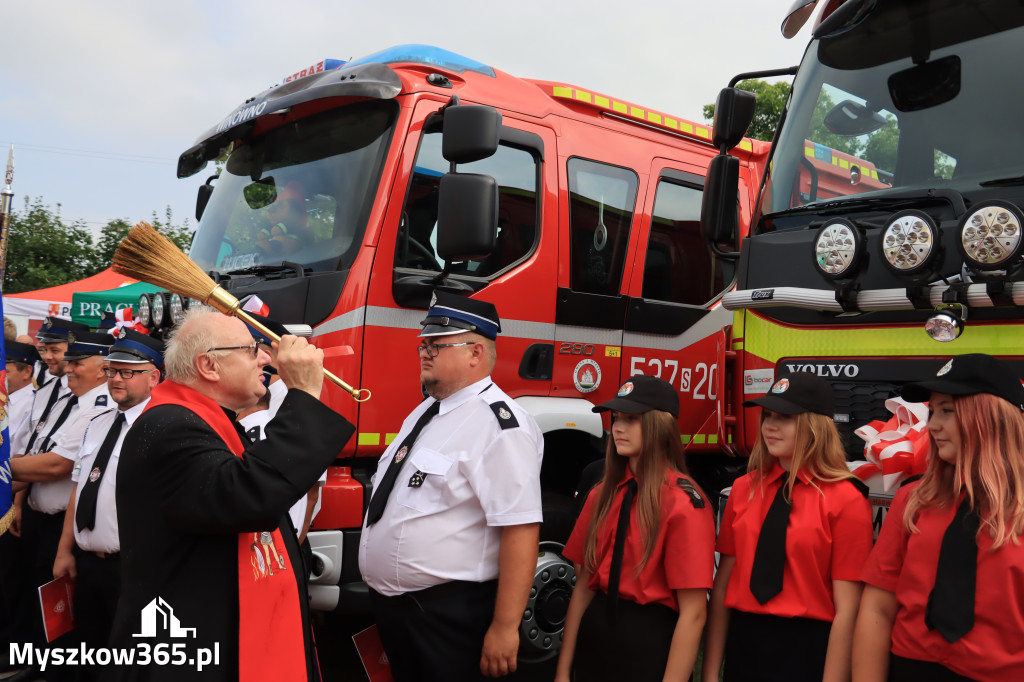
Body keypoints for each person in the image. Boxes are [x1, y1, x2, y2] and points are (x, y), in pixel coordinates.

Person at [108, 307, 354, 682]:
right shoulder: (171, 424)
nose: (266, 358)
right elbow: (250, 497)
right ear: (209, 366)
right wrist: (303, 394)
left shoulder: (205, 421)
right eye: (252, 349)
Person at [358, 291, 543, 682]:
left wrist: (506, 627)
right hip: (403, 613)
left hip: (448, 616)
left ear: (476, 353)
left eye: (437, 345)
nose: (424, 351)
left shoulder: (501, 426)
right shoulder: (427, 410)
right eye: (423, 344)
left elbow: (520, 528)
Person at [853, 353, 1024, 682]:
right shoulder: (912, 499)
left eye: (947, 411)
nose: (931, 426)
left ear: (989, 417)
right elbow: (877, 608)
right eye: (933, 411)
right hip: (910, 668)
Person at [703, 372, 873, 682]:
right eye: (767, 415)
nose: (770, 425)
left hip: (807, 649)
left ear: (814, 426)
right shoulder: (743, 489)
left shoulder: (846, 500)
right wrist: (711, 672)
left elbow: (848, 610)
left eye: (785, 417)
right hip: (745, 642)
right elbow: (724, 585)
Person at [555, 375, 715, 682]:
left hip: (648, 647)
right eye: (616, 418)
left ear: (659, 426)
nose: (617, 427)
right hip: (594, 643)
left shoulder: (683, 503)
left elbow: (693, 613)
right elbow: (583, 586)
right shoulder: (601, 494)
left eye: (631, 419)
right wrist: (563, 671)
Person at [49, 329, 164, 680]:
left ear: (153, 377)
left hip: (134, 568)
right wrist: (64, 551)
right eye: (113, 370)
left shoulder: (162, 426)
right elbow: (80, 489)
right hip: (88, 564)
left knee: (130, 664)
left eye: (127, 372)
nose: (116, 379)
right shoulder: (98, 423)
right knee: (89, 654)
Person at [11, 330, 113, 676]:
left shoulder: (101, 406)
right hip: (37, 513)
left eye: (76, 363)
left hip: (64, 525)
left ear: (102, 369)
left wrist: (2, 470)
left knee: (61, 610)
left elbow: (58, 465)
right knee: (33, 599)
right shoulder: (64, 398)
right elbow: (35, 451)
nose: (68, 369)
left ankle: (47, 669)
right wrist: (20, 496)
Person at [256, 181, 314, 256]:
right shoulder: (272, 223)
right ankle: (264, 251)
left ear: (294, 210)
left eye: (280, 206)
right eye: (274, 208)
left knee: (281, 241)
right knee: (265, 244)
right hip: (272, 262)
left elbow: (292, 225)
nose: (273, 212)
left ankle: (274, 247)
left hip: (293, 244)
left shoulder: (294, 223)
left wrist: (281, 227)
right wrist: (264, 232)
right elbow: (268, 228)